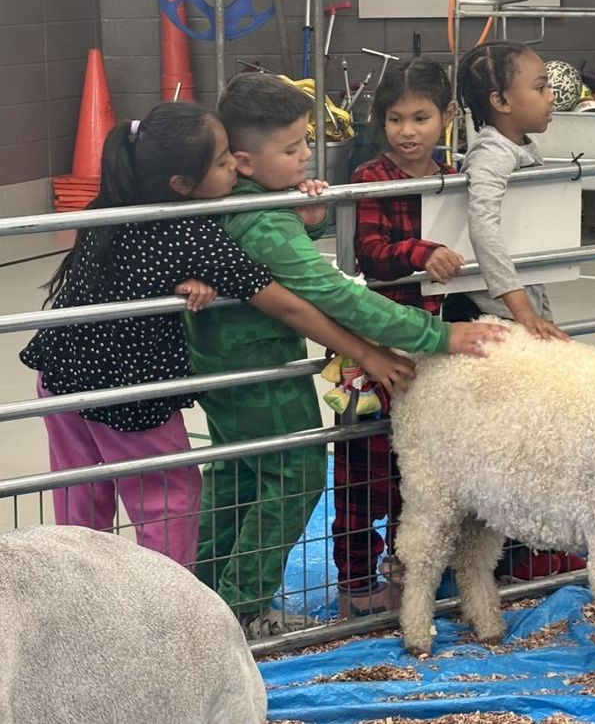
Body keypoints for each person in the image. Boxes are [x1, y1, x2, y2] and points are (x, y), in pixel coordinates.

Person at [20, 101, 415, 570]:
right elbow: (288, 305)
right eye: (225, 160)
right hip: (128, 393)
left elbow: (126, 271)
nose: (236, 166)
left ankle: (76, 603)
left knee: (79, 504)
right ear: (182, 185)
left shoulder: (114, 205)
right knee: (169, 502)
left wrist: (177, 279)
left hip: (61, 374)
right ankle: (171, 620)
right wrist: (365, 352)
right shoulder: (193, 234)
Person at [183, 71, 505, 639]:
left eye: (307, 141)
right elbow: (331, 292)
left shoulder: (247, 199)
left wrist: (311, 213)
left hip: (226, 359)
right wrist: (437, 338)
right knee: (295, 471)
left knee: (237, 472)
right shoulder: (260, 219)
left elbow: (300, 240)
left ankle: (206, 597)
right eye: (292, 148)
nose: (308, 155)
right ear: (244, 161)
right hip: (258, 366)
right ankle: (243, 607)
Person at [333, 57, 465, 618]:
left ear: (448, 116)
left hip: (435, 346)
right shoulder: (371, 179)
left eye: (420, 117)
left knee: (426, 465)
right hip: (380, 345)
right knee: (365, 465)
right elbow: (371, 254)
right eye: (394, 119)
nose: (406, 131)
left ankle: (406, 565)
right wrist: (421, 254)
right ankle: (357, 582)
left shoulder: (456, 175)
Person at [450, 41, 586, 579]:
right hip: (500, 318)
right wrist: (518, 306)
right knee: (507, 442)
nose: (552, 96)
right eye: (539, 87)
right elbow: (483, 225)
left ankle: (524, 547)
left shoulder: (518, 146)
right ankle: (511, 551)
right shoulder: (490, 154)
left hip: (523, 308)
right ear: (501, 101)